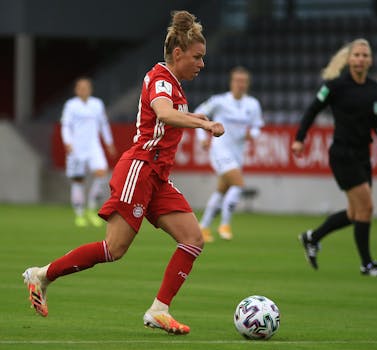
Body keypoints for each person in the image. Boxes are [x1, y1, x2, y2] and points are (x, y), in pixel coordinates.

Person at [22, 10, 224, 335]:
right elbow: (163, 112)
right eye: (197, 57)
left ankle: (159, 310)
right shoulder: (160, 79)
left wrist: (198, 118)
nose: (201, 64)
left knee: (192, 239)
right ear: (177, 53)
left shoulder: (172, 83)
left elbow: (171, 114)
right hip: (140, 170)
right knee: (113, 249)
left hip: (157, 176)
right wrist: (204, 123)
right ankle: (42, 275)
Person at [292, 38, 377, 276]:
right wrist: (300, 138)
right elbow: (312, 110)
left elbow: (375, 121)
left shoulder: (374, 89)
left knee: (354, 213)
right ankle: (366, 264)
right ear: (349, 60)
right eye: (356, 55)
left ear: (370, 60)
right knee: (366, 208)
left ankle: (312, 237)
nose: (360, 59)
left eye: (364, 55)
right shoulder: (336, 85)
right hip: (342, 153)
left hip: (362, 154)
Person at [194, 66, 264, 242]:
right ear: (231, 82)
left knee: (221, 191)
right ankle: (225, 224)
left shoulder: (253, 104)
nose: (240, 84)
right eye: (237, 81)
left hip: (237, 154)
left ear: (247, 84)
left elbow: (257, 127)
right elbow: (197, 114)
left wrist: (252, 134)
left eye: (244, 81)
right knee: (239, 184)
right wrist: (202, 136)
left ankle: (203, 228)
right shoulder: (219, 101)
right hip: (219, 150)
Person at [61, 77, 117, 227]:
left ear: (90, 89)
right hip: (76, 147)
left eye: (86, 87)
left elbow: (103, 125)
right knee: (78, 180)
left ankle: (91, 209)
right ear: (76, 90)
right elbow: (65, 125)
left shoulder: (97, 104)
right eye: (80, 87)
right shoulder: (71, 105)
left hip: (94, 146)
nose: (83, 90)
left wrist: (109, 142)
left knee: (102, 174)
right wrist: (68, 142)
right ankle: (79, 214)